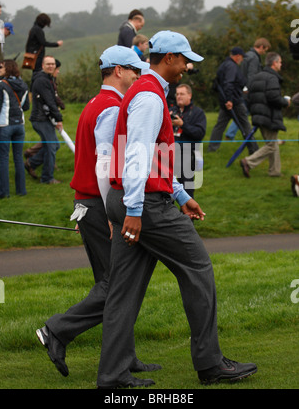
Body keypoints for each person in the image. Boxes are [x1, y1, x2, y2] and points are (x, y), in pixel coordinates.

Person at [96, 31, 258, 389]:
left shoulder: (145, 92)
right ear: (168, 58)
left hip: (132, 199)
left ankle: (112, 375)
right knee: (199, 269)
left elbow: (151, 156)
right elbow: (137, 153)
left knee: (123, 289)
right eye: (184, 60)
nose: (187, 67)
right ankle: (211, 363)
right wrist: (136, 210)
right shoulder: (150, 97)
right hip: (144, 205)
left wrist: (181, 194)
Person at [36, 46, 160, 380]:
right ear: (118, 70)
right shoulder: (111, 107)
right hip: (99, 204)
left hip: (87, 203)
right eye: (134, 70)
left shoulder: (95, 103)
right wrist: (109, 214)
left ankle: (125, 358)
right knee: (115, 287)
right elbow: (106, 167)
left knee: (113, 285)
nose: (138, 76)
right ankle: (57, 331)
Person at [240, 52, 290, 178]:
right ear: (274, 63)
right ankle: (248, 162)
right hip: (269, 115)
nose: (281, 64)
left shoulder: (257, 76)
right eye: (280, 62)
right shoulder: (272, 78)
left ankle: (274, 171)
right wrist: (285, 102)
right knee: (272, 145)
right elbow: (273, 97)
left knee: (272, 143)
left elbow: (249, 97)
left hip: (258, 114)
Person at [208, 47, 258, 154]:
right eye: (242, 57)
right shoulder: (232, 66)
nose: (242, 60)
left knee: (220, 126)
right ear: (238, 56)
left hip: (225, 101)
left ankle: (212, 148)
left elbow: (222, 84)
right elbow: (229, 83)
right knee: (245, 125)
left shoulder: (224, 64)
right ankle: (253, 149)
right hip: (234, 102)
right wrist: (230, 100)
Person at [25, 56, 62, 184]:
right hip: (40, 119)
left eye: (52, 64)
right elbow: (49, 101)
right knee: (52, 146)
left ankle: (31, 163)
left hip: (44, 118)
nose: (51, 66)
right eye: (48, 64)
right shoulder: (42, 80)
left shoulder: (47, 78)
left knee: (54, 145)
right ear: (42, 66)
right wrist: (58, 118)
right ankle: (47, 178)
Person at [225, 38, 271, 140]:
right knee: (245, 113)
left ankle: (231, 134)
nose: (265, 52)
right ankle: (231, 134)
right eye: (265, 49)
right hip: (248, 90)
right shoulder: (254, 58)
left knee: (243, 112)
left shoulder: (247, 55)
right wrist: (252, 89)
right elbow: (252, 76)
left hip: (242, 88)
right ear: (261, 47)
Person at [0, 60, 29, 198]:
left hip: (5, 125)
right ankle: (21, 191)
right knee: (18, 158)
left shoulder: (1, 85)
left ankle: (4, 193)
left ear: (8, 69)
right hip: (20, 125)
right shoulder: (23, 84)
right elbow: (26, 106)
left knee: (3, 159)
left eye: (1, 67)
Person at [171, 83, 206, 198]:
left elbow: (199, 134)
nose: (179, 96)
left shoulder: (197, 113)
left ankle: (187, 215)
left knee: (187, 192)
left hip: (187, 157)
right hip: (169, 156)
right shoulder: (170, 111)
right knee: (166, 193)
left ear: (189, 95)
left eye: (182, 94)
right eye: (177, 94)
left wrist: (183, 125)